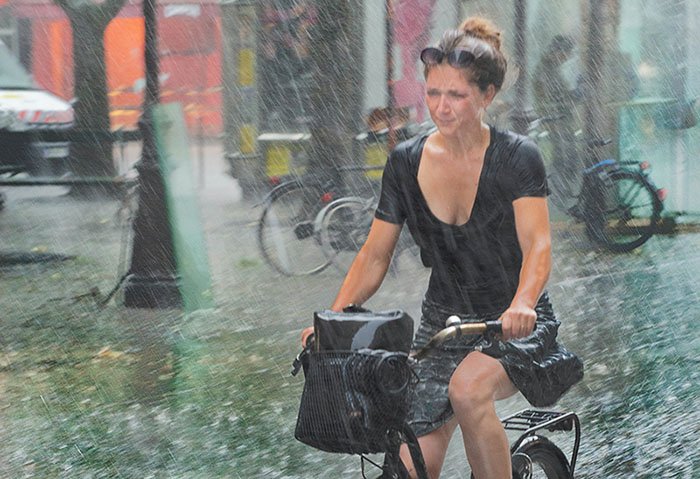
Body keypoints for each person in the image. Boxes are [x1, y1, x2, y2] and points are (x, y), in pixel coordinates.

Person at [302, 17, 581, 479]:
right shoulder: (405, 162)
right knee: (412, 464)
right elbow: (374, 255)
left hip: (511, 321)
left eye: (457, 96)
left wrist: (524, 303)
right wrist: (332, 323)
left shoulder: (517, 157)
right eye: (433, 93)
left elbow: (538, 245)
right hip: (443, 325)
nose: (441, 107)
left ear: (487, 95)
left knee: (469, 390)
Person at [532, 34, 582, 209]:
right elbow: (550, 99)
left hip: (560, 122)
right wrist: (573, 96)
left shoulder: (551, 68)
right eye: (566, 53)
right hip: (557, 124)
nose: (567, 58)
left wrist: (574, 94)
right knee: (564, 159)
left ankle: (564, 197)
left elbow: (559, 96)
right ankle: (561, 200)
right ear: (558, 52)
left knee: (567, 159)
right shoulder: (546, 70)